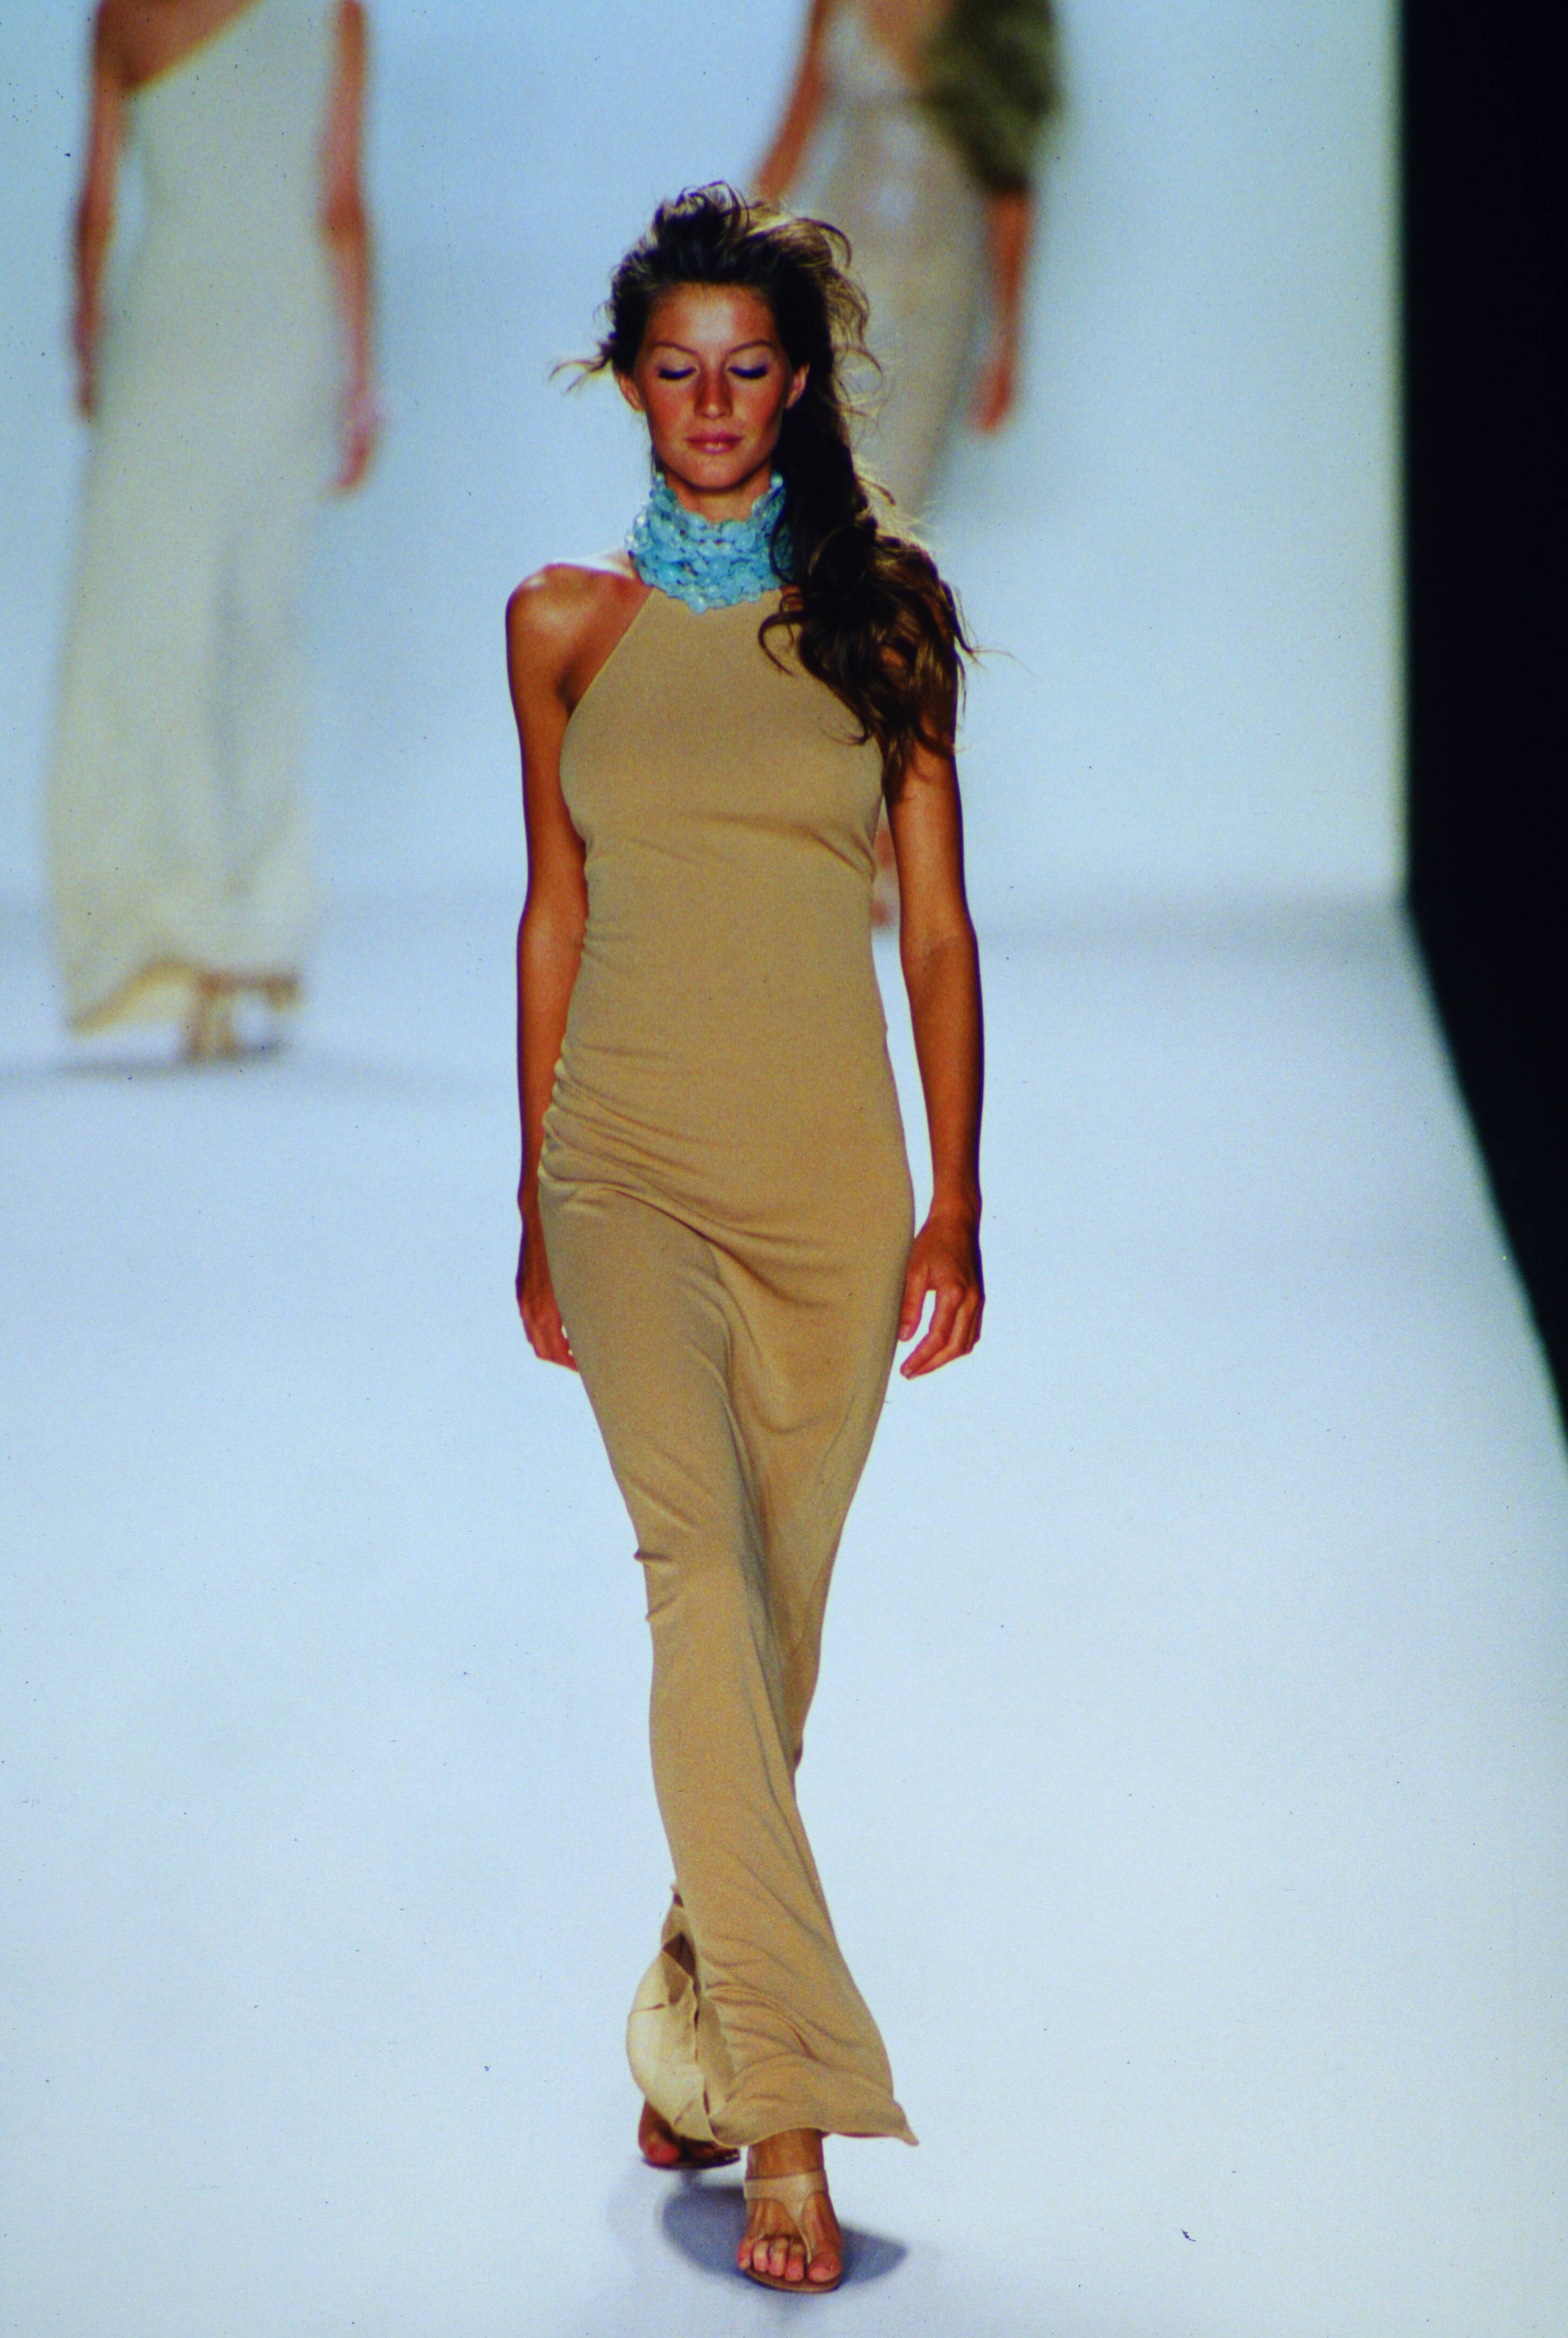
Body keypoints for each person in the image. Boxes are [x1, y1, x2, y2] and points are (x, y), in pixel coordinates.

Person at [507, 186, 985, 2295]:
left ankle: (692, 2019)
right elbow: (555, 914)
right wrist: (531, 1194)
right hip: (623, 1168)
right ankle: (784, 2108)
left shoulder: (886, 616)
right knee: (700, 1584)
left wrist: (959, 1192)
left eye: (748, 366)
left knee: (765, 1642)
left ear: (793, 389)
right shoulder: (560, 629)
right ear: (631, 383)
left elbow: (939, 932)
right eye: (676, 367)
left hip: (830, 1194)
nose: (711, 402)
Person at [49, 0, 377, 1059]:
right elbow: (339, 203)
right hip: (288, 328)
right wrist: (362, 379)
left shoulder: (123, 14)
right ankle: (258, 931)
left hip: (172, 324)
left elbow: (98, 206)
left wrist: (89, 338)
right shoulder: (333, 13)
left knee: (151, 630)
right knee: (259, 629)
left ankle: (179, 940)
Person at [755, 0, 1059, 521]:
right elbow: (794, 135)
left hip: (935, 304)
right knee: (801, 488)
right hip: (833, 284)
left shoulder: (1000, 15)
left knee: (895, 504)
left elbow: (1009, 183)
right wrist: (721, 259)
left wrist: (1008, 337)